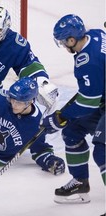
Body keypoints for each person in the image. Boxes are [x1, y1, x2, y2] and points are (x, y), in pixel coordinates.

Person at [41, 14, 105, 204]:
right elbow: (92, 91)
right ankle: (80, 182)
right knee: (72, 131)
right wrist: (65, 118)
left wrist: (60, 117)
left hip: (99, 102)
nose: (63, 45)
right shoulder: (95, 34)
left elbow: (89, 102)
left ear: (71, 40)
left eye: (63, 42)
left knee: (102, 150)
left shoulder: (89, 61)